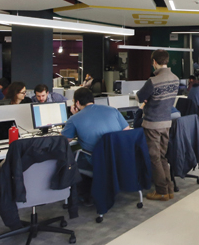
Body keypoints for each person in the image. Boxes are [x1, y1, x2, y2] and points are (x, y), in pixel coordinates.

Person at [61, 87, 130, 204]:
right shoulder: (113, 110)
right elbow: (126, 130)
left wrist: (75, 116)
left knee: (72, 156)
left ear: (77, 103)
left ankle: (82, 194)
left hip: (96, 160)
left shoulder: (75, 119)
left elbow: (64, 140)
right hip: (119, 156)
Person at [136, 49, 179, 201]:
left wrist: (147, 99)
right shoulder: (175, 78)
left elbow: (139, 97)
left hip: (152, 123)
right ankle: (169, 189)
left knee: (154, 158)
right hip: (166, 122)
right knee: (162, 157)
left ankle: (161, 191)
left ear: (154, 62)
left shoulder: (153, 81)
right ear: (167, 60)